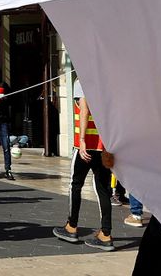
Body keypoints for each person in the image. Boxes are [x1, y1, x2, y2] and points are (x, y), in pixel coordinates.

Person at [52, 83, 115, 251]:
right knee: (103, 190)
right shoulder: (106, 84)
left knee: (75, 185)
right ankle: (106, 234)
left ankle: (71, 227)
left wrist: (81, 141)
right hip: (103, 147)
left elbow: (84, 109)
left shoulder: (83, 81)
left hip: (87, 147)